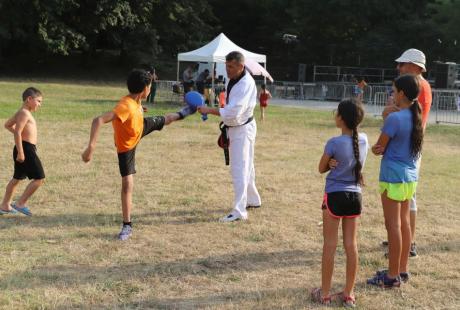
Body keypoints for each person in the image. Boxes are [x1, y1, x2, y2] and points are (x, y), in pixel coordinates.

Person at [81, 69, 196, 240]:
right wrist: (91, 147)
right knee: (127, 185)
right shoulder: (125, 106)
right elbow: (98, 120)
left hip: (139, 127)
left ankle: (185, 111)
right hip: (127, 146)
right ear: (144, 89)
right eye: (150, 86)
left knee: (166, 119)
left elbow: (134, 106)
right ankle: (127, 225)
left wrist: (140, 109)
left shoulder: (135, 102)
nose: (150, 89)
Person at [367, 74, 423, 288]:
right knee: (404, 223)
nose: (391, 94)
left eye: (393, 90)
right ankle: (401, 269)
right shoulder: (414, 116)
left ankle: (391, 276)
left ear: (401, 93)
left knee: (393, 226)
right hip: (409, 178)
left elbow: (379, 148)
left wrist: (375, 147)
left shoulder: (395, 119)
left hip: (392, 177)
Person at [311, 99, 368, 307]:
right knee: (351, 246)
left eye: (336, 113)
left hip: (335, 196)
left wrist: (330, 163)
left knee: (330, 246)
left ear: (341, 119)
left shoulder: (333, 143)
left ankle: (325, 294)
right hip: (355, 198)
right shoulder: (364, 140)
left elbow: (320, 168)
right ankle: (349, 293)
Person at [197, 51, 261, 222]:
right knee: (247, 166)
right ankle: (253, 199)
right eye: (226, 66)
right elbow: (229, 106)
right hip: (237, 128)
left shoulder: (245, 83)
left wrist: (209, 110)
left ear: (241, 66)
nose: (228, 70)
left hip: (242, 128)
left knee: (240, 168)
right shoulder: (233, 80)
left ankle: (240, 211)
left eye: (231, 66)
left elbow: (234, 112)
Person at [382, 48, 432, 257]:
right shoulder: (421, 85)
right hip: (410, 147)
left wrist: (388, 112)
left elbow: (392, 113)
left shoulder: (415, 86)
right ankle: (402, 238)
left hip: (404, 149)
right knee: (406, 195)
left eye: (403, 64)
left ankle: (406, 242)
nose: (399, 67)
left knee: (405, 197)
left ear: (416, 67)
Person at [1, 87, 45, 216]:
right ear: (29, 99)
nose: (40, 105)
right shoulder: (24, 113)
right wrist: (21, 151)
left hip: (24, 147)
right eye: (39, 101)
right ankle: (20, 203)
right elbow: (18, 132)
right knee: (39, 178)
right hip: (26, 149)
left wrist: (20, 138)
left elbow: (7, 125)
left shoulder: (22, 112)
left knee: (17, 178)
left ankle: (4, 205)